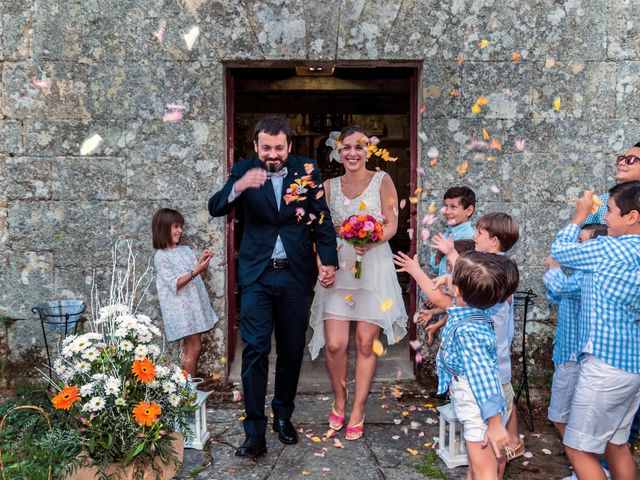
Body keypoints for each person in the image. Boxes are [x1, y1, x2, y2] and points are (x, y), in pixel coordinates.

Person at [208, 116, 338, 458]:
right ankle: (254, 431)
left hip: (295, 275)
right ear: (256, 147)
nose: (273, 154)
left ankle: (283, 416)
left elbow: (322, 219)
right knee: (254, 351)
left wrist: (329, 262)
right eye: (266, 148)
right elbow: (215, 207)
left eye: (279, 148)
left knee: (292, 349)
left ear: (289, 147)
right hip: (257, 276)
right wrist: (238, 187)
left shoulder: (307, 169)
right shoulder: (243, 169)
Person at [308, 126, 407, 440]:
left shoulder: (383, 180)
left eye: (359, 147)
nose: (353, 152)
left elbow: (392, 223)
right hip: (339, 268)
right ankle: (339, 397)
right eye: (346, 147)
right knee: (335, 344)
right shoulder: (328, 185)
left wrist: (376, 238)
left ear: (369, 150)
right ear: (337, 151)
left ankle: (358, 408)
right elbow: (319, 233)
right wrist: (321, 264)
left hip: (373, 264)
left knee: (366, 343)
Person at [394, 250, 517, 480]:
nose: (449, 278)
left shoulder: (470, 331)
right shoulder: (477, 308)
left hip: (480, 407)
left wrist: (494, 423)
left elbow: (485, 379)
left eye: (453, 276)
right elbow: (447, 293)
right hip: (478, 404)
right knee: (477, 468)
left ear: (458, 291)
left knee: (484, 473)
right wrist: (420, 271)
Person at [551, 183, 640, 480]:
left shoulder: (608, 248)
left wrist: (579, 216)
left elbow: (561, 251)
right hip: (632, 366)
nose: (605, 219)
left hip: (605, 365)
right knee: (616, 445)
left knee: (578, 448)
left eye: (611, 212)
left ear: (632, 217)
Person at [432, 212, 523, 464]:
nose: (474, 236)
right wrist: (451, 263)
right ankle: (509, 442)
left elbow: (470, 280)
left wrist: (444, 266)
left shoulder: (493, 275)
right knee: (504, 399)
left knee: (502, 402)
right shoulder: (495, 269)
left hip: (493, 360)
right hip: (492, 359)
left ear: (493, 241)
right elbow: (470, 276)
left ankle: (506, 449)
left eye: (479, 233)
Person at [544, 223, 607, 439]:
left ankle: (583, 463)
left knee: (560, 415)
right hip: (567, 352)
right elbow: (557, 295)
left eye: (581, 242)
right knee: (568, 415)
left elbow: (564, 289)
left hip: (574, 356)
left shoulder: (589, 272)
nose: (577, 247)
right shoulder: (581, 271)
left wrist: (554, 268)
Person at [152, 208, 219, 378]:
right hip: (181, 310)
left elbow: (199, 277)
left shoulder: (185, 250)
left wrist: (203, 264)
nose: (180, 231)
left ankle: (184, 391)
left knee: (190, 348)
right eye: (175, 227)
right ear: (163, 228)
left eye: (180, 227)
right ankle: (190, 393)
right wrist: (195, 271)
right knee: (195, 348)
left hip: (194, 306)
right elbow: (175, 283)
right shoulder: (161, 256)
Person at [429, 186, 477, 276]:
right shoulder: (448, 233)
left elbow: (467, 273)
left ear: (469, 210)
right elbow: (436, 267)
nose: (447, 211)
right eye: (446, 206)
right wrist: (438, 256)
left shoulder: (470, 237)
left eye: (453, 207)